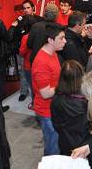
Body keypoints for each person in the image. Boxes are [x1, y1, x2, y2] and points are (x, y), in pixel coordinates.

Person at [31, 23, 66, 155]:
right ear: (50, 40)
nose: (65, 41)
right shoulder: (42, 62)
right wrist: (65, 85)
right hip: (46, 112)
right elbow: (45, 93)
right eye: (61, 38)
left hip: (54, 108)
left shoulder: (53, 53)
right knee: (53, 148)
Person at [51, 60, 91, 156]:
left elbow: (55, 125)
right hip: (85, 146)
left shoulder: (56, 100)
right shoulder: (87, 101)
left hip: (66, 143)